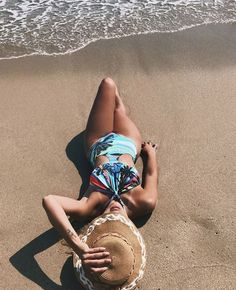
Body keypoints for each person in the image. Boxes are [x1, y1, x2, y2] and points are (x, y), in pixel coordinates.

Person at [42, 77, 158, 286]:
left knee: (108, 85)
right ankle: (120, 108)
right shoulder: (144, 202)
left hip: (98, 141)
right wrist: (150, 154)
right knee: (119, 110)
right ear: (129, 228)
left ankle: (115, 105)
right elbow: (150, 175)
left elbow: (49, 200)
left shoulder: (89, 206)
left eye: (108, 220)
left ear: (98, 226)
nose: (113, 212)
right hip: (130, 143)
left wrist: (80, 248)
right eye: (119, 220)